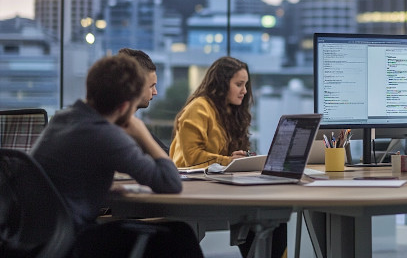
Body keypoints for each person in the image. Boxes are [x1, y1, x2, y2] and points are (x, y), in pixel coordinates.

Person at [31, 55, 202, 258]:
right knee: (180, 235)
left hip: (33, 237)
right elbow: (171, 182)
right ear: (123, 107)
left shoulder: (63, 118)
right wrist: (142, 134)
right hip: (71, 241)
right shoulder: (106, 134)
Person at [170, 56, 286, 258]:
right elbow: (192, 157)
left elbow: (226, 158)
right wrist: (230, 161)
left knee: (271, 219)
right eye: (239, 84)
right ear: (222, 84)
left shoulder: (231, 112)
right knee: (265, 219)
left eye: (246, 85)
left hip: (217, 185)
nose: (244, 90)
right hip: (191, 188)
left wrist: (243, 159)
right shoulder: (199, 107)